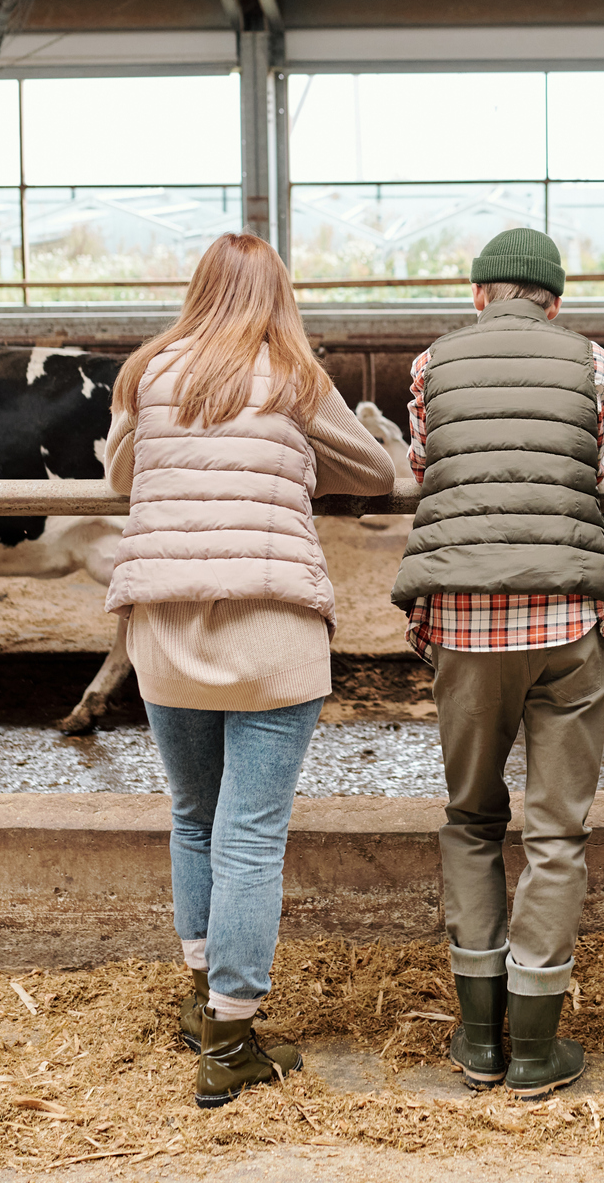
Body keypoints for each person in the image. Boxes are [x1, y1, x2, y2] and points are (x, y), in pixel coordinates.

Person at [104, 232, 396, 1109]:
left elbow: (117, 472)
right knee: (251, 839)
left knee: (194, 815)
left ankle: (203, 1005)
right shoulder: (296, 378)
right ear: (278, 297)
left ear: (199, 289)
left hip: (164, 626)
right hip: (270, 627)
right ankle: (231, 1041)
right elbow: (376, 474)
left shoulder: (146, 373)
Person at [389, 227, 604, 1098]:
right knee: (556, 831)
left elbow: (423, 465)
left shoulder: (429, 363)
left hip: (462, 613)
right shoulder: (591, 360)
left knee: (472, 817)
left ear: (479, 293)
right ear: (553, 301)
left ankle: (477, 1037)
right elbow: (593, 467)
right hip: (564, 611)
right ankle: (534, 1047)